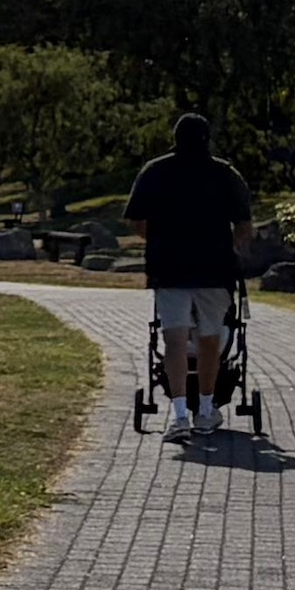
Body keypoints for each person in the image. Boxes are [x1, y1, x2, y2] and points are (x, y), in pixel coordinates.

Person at [124, 109, 256, 443]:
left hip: (169, 269)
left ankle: (180, 413)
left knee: (175, 339)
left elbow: (138, 222)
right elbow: (243, 224)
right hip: (215, 269)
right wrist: (236, 248)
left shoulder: (154, 172)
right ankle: (206, 409)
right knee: (211, 339)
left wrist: (159, 241)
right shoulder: (225, 174)